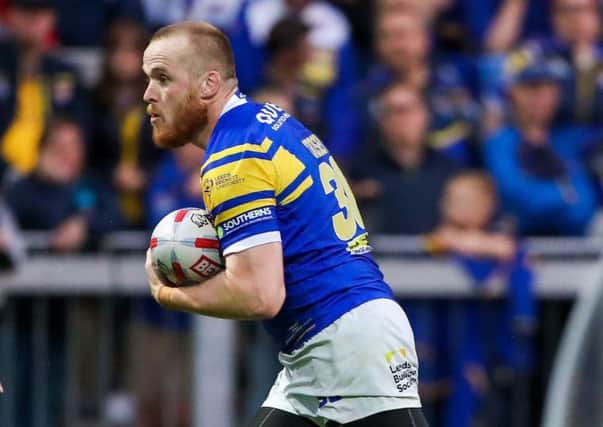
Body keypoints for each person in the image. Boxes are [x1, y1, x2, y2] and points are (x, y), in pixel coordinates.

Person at [142, 21, 427, 426]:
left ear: (208, 84)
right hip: (326, 346)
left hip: (346, 346)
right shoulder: (264, 119)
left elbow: (259, 295)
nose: (148, 94)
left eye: (163, 78)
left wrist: (168, 294)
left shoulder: (233, 155)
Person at [484, 47, 598, 235]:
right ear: (513, 92)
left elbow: (585, 206)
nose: (544, 98)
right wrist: (566, 195)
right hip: (517, 250)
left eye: (550, 88)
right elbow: (519, 201)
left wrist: (557, 199)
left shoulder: (569, 140)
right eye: (533, 87)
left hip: (575, 252)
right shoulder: (500, 142)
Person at [349, 82, 459, 234]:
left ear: (426, 115)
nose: (401, 120)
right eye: (392, 111)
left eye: (407, 110)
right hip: (378, 255)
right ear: (380, 120)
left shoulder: (451, 172)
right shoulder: (357, 173)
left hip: (437, 256)